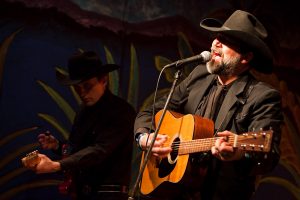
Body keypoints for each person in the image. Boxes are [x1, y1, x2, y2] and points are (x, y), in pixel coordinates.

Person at [134, 10, 282, 200]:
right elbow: (152, 110)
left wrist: (238, 153)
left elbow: (269, 155)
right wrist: (144, 137)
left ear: (245, 57)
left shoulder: (263, 96)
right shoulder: (199, 76)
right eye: (217, 37)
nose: (215, 43)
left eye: (227, 40)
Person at [23, 50, 136, 200]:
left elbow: (99, 150)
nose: (82, 93)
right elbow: (78, 148)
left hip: (108, 194)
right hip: (82, 192)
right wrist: (57, 146)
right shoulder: (84, 111)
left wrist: (57, 165)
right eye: (77, 88)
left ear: (104, 80)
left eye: (87, 86)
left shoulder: (122, 111)